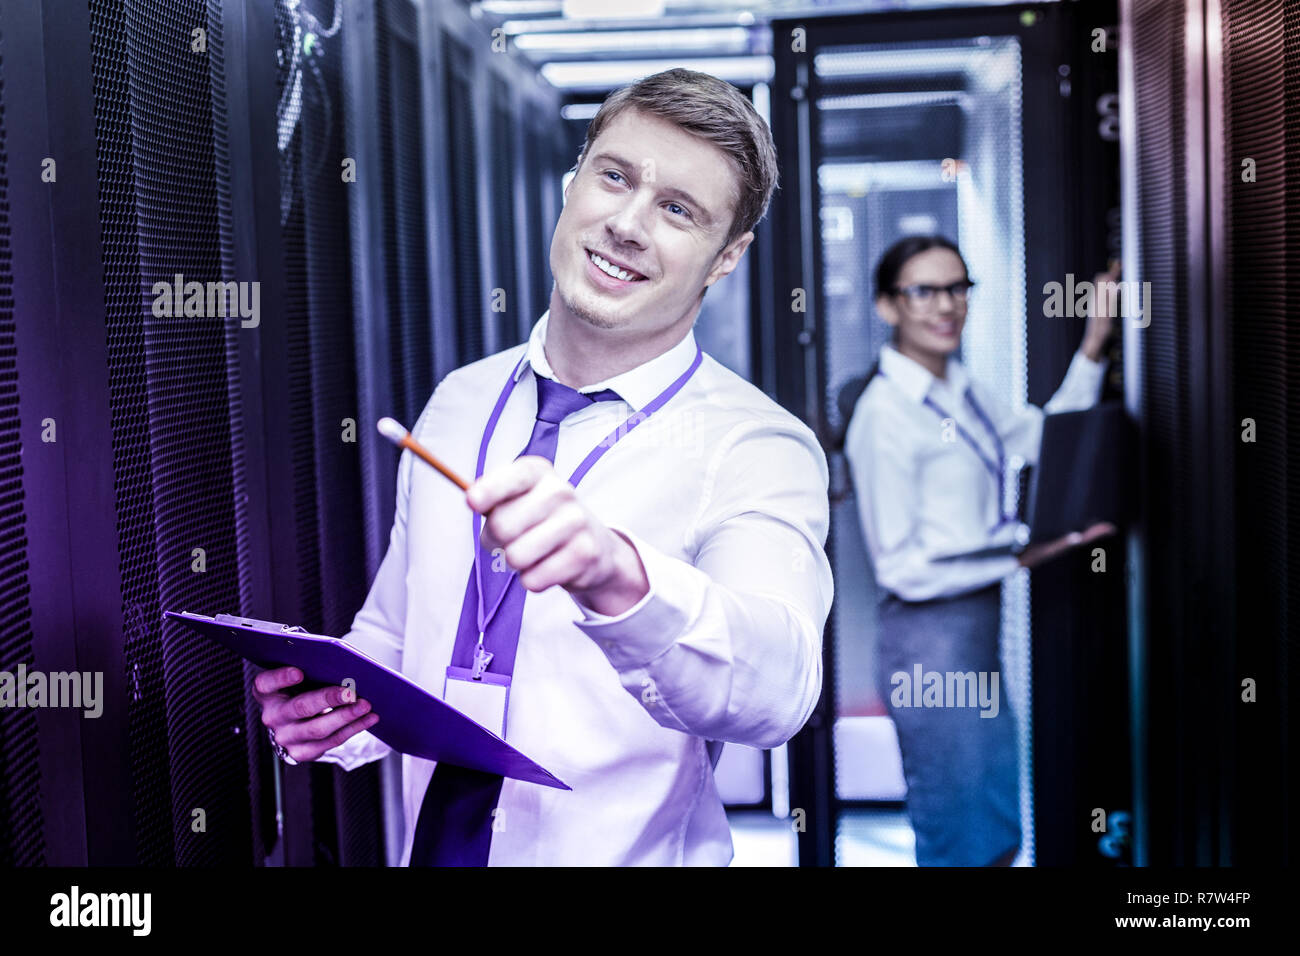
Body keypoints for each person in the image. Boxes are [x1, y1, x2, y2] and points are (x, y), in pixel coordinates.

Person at [252, 69, 833, 866]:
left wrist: (618, 577)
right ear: (575, 181)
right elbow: (399, 635)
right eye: (616, 176)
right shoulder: (461, 398)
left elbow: (778, 691)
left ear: (726, 256)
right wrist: (335, 713)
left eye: (677, 210)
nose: (628, 224)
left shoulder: (758, 446)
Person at [843, 235, 1116, 866]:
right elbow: (901, 566)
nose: (947, 306)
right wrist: (1024, 553)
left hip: (972, 631)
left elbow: (1046, 440)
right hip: (927, 641)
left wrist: (1094, 347)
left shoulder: (960, 390)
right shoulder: (885, 415)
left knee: (990, 818)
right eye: (924, 291)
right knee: (959, 827)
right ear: (888, 307)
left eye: (958, 288)